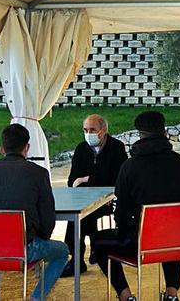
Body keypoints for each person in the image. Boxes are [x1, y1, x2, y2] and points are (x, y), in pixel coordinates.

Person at [94, 111, 180, 301]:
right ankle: (172, 295)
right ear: (164, 132)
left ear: (140, 134)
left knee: (98, 242)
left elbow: (121, 213)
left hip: (141, 243)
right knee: (169, 233)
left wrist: (122, 231)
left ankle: (126, 297)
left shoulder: (130, 167)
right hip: (179, 241)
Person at [0, 124, 68, 301]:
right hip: (23, 248)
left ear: (2, 148)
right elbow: (48, 218)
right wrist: (42, 236)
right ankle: (36, 298)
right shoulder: (39, 173)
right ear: (27, 148)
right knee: (62, 250)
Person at [62, 114, 129, 277]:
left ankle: (92, 249)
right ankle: (77, 258)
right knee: (77, 215)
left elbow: (117, 179)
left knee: (85, 215)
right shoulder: (81, 149)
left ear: (103, 130)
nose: (88, 133)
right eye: (85, 130)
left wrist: (87, 179)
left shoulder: (117, 148)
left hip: (109, 199)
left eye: (92, 130)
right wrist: (88, 181)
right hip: (85, 198)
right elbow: (72, 180)